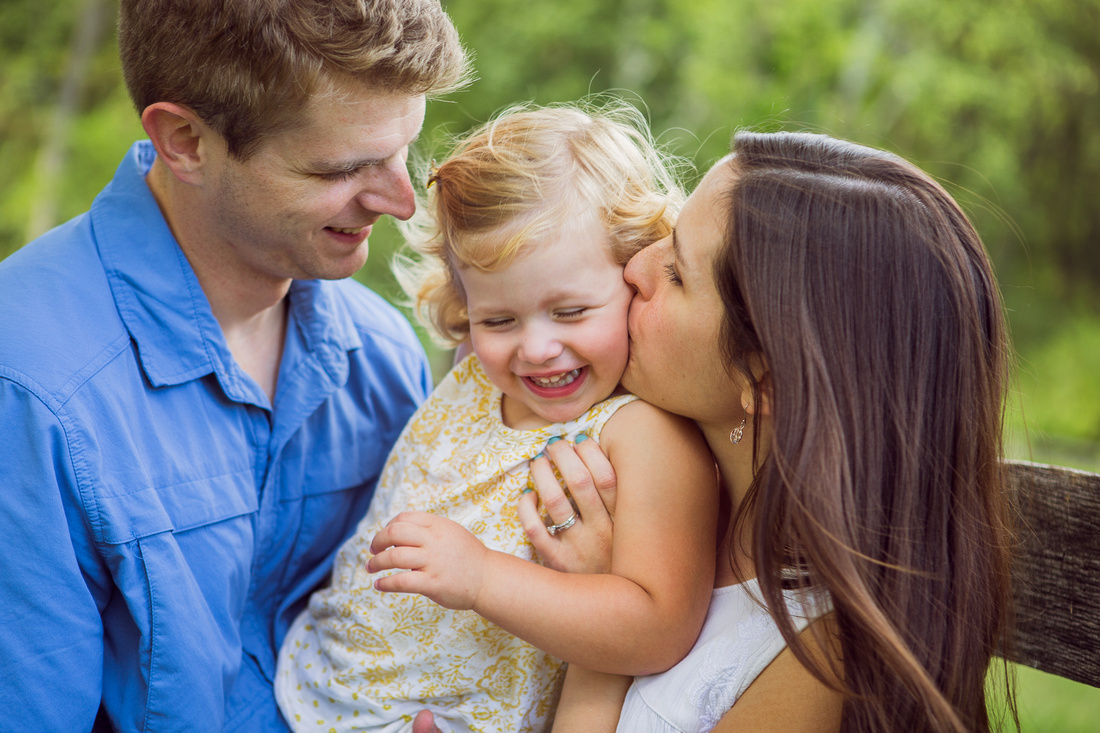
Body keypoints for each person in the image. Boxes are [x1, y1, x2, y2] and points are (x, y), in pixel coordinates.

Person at [0, 1, 469, 730]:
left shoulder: (382, 360)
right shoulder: (28, 387)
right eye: (344, 168)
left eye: (402, 149)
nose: (402, 203)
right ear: (184, 140)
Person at [537, 131, 1018, 732]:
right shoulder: (661, 487)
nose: (635, 267)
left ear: (762, 381)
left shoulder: (823, 667)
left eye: (679, 275)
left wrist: (605, 626)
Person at [274, 103, 718, 733]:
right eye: (499, 319)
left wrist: (482, 576)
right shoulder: (481, 371)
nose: (534, 349)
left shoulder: (642, 435)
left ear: (635, 274)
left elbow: (656, 628)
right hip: (313, 684)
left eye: (570, 311)